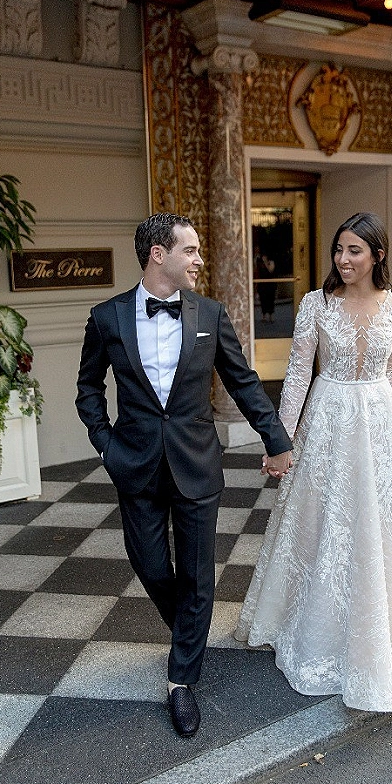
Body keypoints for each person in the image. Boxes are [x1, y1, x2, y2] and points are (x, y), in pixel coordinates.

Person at [75, 213, 292, 738]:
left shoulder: (210, 314)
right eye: (190, 250)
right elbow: (88, 389)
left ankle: (181, 681)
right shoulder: (107, 317)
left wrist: (276, 439)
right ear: (158, 254)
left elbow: (242, 382)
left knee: (197, 575)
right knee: (150, 565)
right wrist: (106, 445)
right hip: (135, 463)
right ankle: (190, 633)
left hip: (196, 463)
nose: (199, 260)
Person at [235, 212, 392, 712]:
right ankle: (312, 629)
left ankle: (382, 636)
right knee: (321, 524)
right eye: (339, 249)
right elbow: (297, 374)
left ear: (378, 255)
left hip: (379, 429)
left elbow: (390, 376)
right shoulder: (316, 303)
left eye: (354, 250)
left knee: (382, 527)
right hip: (328, 421)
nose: (343, 259)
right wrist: (280, 440)